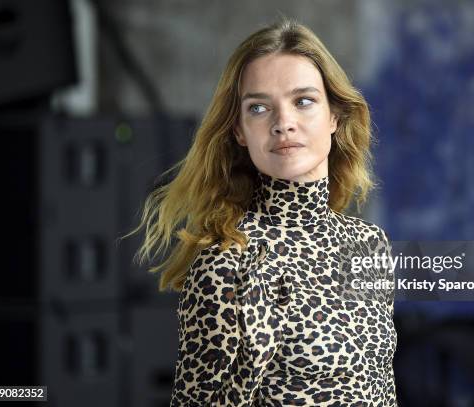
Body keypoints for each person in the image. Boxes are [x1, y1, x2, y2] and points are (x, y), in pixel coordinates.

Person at [132, 16, 397, 407]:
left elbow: (381, 390)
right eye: (259, 108)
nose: (283, 123)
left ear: (334, 117)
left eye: (303, 101)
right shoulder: (226, 266)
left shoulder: (368, 244)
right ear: (240, 131)